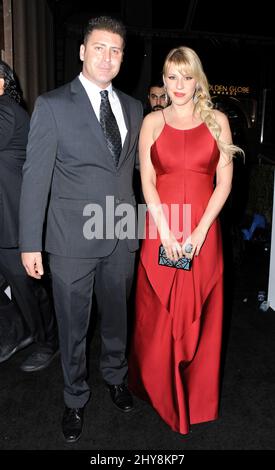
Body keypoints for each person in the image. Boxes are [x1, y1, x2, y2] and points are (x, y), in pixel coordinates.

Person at [19, 16, 143, 443]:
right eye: (99, 48)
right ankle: (74, 399)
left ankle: (115, 375)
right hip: (70, 239)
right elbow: (35, 178)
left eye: (116, 50)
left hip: (123, 231)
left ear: (123, 57)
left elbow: (136, 173)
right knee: (73, 326)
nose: (107, 57)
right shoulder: (52, 105)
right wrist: (29, 243)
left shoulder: (134, 107)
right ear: (82, 52)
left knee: (117, 318)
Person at [128, 46, 243, 434]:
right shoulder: (151, 122)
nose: (178, 85)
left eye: (186, 76)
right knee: (157, 315)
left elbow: (224, 184)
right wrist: (163, 228)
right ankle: (158, 387)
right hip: (160, 227)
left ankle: (194, 393)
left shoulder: (217, 122)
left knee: (199, 314)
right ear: (164, 79)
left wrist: (198, 232)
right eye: (171, 77)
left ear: (198, 80)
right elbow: (146, 181)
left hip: (203, 233)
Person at [0, 59, 58, 370]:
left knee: (29, 290)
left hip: (12, 226)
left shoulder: (8, 110)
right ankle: (19, 330)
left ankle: (48, 341)